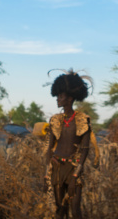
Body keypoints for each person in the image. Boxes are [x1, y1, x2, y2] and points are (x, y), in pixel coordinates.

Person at [44, 70, 92, 219]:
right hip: (57, 167)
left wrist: (75, 176)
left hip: (73, 167)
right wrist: (46, 174)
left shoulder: (83, 120)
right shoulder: (55, 120)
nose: (57, 99)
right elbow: (49, 149)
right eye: (57, 95)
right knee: (60, 208)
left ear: (70, 98)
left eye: (61, 96)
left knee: (75, 209)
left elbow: (84, 151)